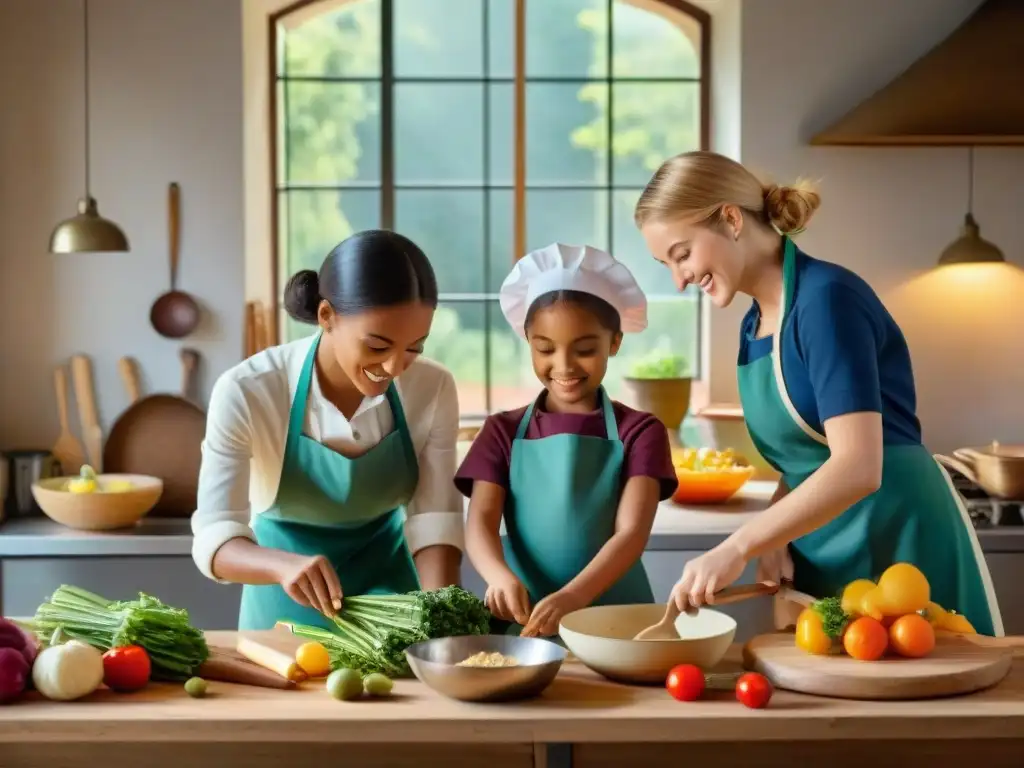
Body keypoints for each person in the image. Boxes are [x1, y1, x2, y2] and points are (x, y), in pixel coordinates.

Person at [634, 150, 1003, 636]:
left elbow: (857, 465)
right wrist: (774, 536)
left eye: (682, 254)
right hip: (825, 537)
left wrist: (738, 545)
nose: (679, 279)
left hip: (898, 536)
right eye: (666, 264)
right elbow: (804, 459)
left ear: (730, 219)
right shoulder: (755, 325)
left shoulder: (826, 301)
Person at [191, 230, 464, 631]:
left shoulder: (433, 387)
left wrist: (443, 623)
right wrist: (281, 565)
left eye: (414, 348)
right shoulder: (249, 390)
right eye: (377, 346)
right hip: (282, 604)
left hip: (391, 602)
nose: (393, 367)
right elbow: (214, 535)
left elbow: (435, 519)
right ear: (326, 316)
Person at [457, 243, 677, 637]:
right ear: (528, 341)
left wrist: (574, 597)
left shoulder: (641, 431)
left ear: (614, 342)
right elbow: (480, 525)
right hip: (523, 621)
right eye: (545, 349)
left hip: (618, 621)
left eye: (585, 349)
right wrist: (499, 577)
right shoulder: (500, 432)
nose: (564, 366)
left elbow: (631, 534)